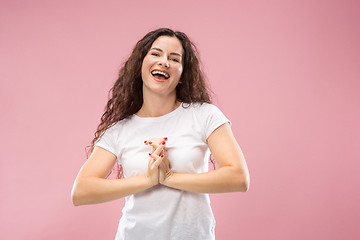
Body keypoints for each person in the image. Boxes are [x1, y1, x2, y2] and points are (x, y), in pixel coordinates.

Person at [71, 28, 250, 240]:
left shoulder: (204, 115)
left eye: (174, 59)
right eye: (156, 54)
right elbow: (81, 192)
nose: (164, 62)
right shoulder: (119, 130)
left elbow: (239, 177)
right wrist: (148, 179)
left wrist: (170, 177)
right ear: (140, 66)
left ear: (182, 75)